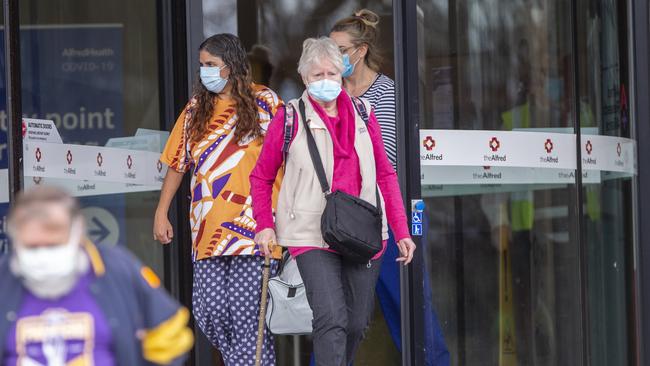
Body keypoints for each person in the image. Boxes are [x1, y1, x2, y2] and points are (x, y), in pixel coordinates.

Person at [250, 37, 416, 366]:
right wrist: (264, 226)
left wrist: (402, 231)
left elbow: (386, 175)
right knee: (331, 318)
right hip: (310, 232)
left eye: (331, 74)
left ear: (342, 75)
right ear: (304, 78)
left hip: (363, 229)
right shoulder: (290, 117)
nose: (325, 81)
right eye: (316, 76)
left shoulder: (364, 114)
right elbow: (261, 177)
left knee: (355, 323)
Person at [153, 33, 282, 365]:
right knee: (208, 311)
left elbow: (290, 156)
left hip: (256, 227)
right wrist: (161, 211)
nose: (205, 71)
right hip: (207, 230)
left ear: (232, 66)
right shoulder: (196, 108)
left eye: (211, 65)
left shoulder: (265, 101)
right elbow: (177, 163)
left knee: (247, 318)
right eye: (202, 66)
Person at [0, 186, 193, 365]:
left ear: (77, 232)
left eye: (53, 244)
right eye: (32, 247)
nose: (42, 255)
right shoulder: (4, 278)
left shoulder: (117, 269)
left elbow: (170, 334)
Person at [330, 9, 397, 168]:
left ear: (361, 50)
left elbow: (386, 154)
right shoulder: (330, 90)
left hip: (373, 189)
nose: (333, 57)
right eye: (330, 51)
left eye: (341, 50)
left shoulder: (385, 91)